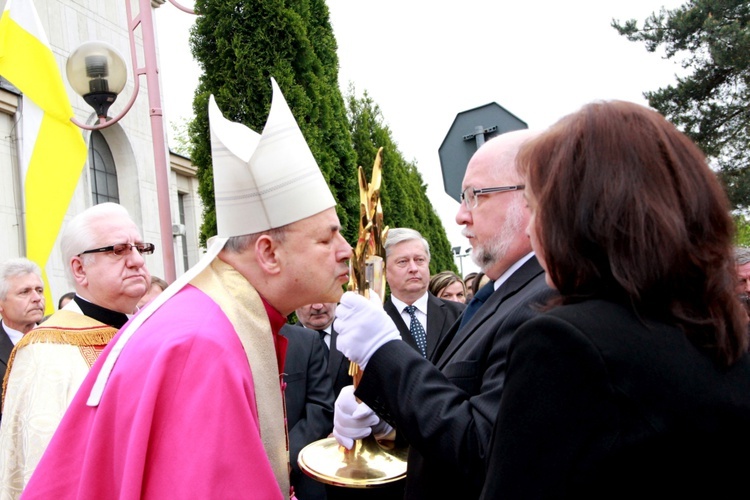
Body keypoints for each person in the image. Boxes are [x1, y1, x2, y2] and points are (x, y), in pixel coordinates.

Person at [22, 79, 352, 499]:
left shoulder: (213, 317)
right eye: (327, 238)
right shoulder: (203, 345)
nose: (345, 251)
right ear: (268, 253)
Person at [480, 101, 750, 499]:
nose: (533, 231)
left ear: (582, 217)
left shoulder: (564, 343)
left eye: (537, 208)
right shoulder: (724, 329)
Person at [331, 129, 554, 499]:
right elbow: (458, 403)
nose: (461, 216)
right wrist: (388, 422)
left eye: (474, 196)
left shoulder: (543, 302)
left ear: (529, 197)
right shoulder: (500, 295)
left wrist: (384, 354)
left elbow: (483, 447)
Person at [0, 203, 152, 498]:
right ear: (79, 268)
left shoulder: (151, 332)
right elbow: (40, 468)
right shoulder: (46, 350)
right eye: (118, 250)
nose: (136, 260)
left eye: (140, 248)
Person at [382, 228, 465, 359]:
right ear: (384, 270)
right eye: (402, 262)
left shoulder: (461, 315)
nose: (413, 268)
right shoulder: (377, 322)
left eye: (419, 260)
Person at [281, 321, 334, 500]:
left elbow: (321, 406)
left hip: (301, 479)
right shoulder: (221, 341)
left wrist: (287, 458)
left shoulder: (305, 340)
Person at [0, 258, 45, 413]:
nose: (37, 298)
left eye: (39, 290)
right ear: (1, 304)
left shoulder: (64, 339)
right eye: (24, 292)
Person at [296, 302, 351, 400]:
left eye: (323, 298)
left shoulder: (355, 335)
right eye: (309, 299)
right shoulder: (285, 343)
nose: (318, 306)